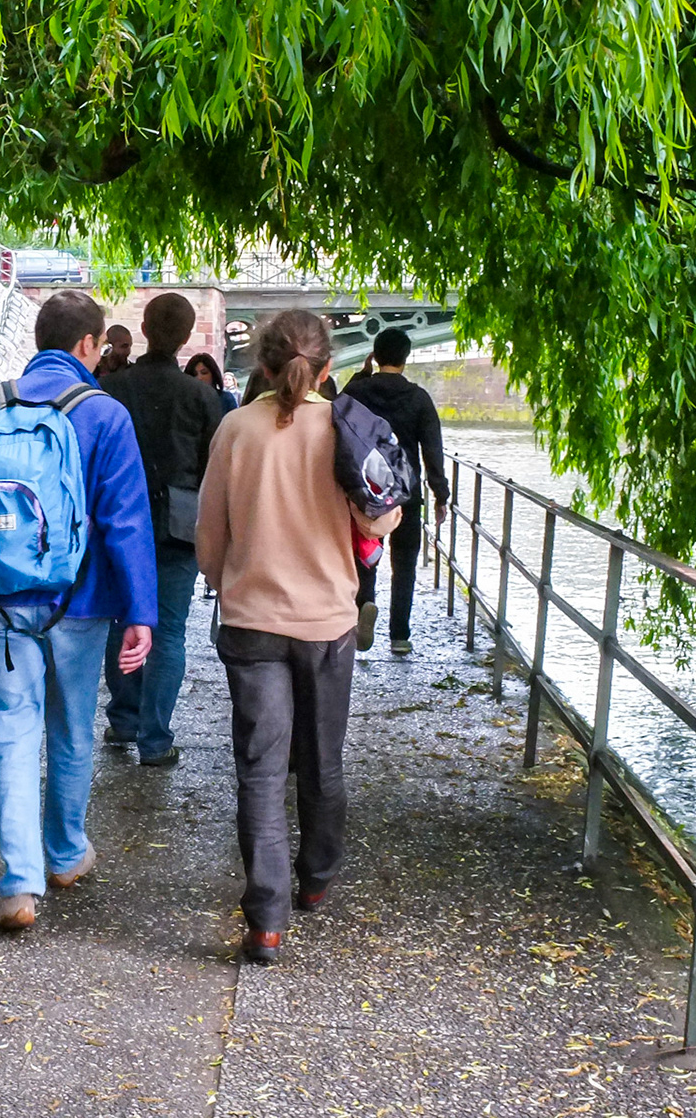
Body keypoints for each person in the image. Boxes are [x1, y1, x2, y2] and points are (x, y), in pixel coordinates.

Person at [0, 289, 156, 932]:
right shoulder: (104, 414)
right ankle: (65, 854)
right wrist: (140, 611)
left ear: (40, 340)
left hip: (0, 598)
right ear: (88, 344)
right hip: (80, 603)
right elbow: (126, 522)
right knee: (72, 728)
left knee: (11, 732)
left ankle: (18, 885)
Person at [196, 309, 401, 964]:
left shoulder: (235, 429)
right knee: (322, 758)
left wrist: (228, 580)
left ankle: (266, 921)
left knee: (259, 771)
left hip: (252, 622)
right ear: (328, 366)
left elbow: (209, 536)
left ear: (261, 364)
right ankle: (316, 878)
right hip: (327, 624)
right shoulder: (344, 429)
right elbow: (382, 520)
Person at [100, 294, 225, 767]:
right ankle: (155, 740)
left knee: (120, 621)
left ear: (145, 329)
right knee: (169, 632)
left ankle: (123, 720)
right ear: (186, 336)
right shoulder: (202, 397)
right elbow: (212, 470)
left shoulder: (113, 388)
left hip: (119, 520)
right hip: (179, 526)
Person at [341, 327, 450, 656]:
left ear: (374, 356)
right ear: (406, 358)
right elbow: (432, 450)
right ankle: (399, 634)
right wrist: (441, 495)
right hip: (405, 491)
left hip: (365, 489)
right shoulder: (419, 398)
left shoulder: (358, 392)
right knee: (405, 564)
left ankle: (364, 604)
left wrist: (360, 376)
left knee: (365, 554)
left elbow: (337, 418)